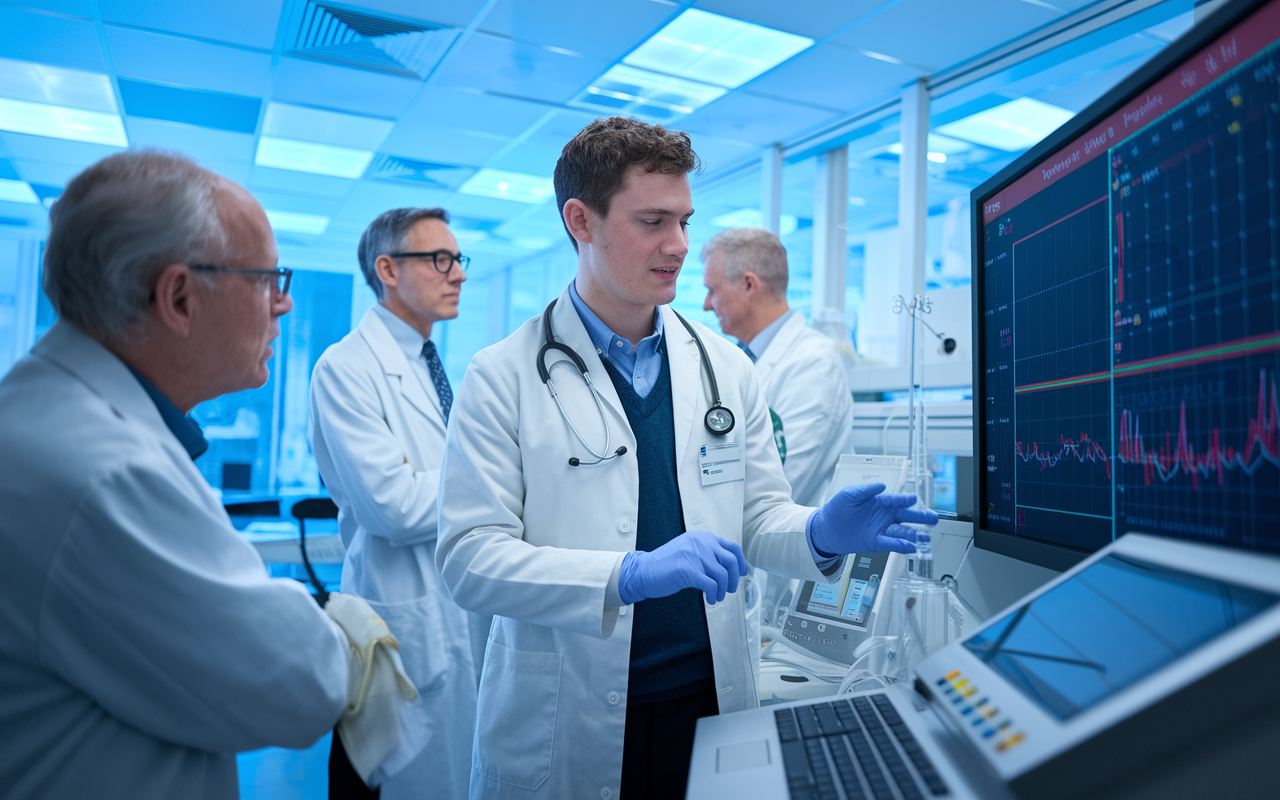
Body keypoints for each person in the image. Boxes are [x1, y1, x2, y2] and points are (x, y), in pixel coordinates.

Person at [436, 116, 936, 799]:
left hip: (707, 700)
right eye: (652, 222)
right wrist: (629, 574)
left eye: (684, 221)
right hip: (567, 710)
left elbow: (757, 516)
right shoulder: (502, 375)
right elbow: (469, 558)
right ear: (580, 221)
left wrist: (819, 532)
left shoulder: (723, 366)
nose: (677, 246)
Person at [0, 150, 359, 798]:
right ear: (179, 297)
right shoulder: (103, 473)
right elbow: (301, 684)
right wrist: (327, 622)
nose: (282, 306)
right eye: (267, 279)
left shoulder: (60, 417)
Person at [310, 208, 485, 799]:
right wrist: (489, 474)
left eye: (459, 259)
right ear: (387, 269)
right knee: (401, 780)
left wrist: (439, 478)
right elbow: (396, 508)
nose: (457, 273)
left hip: (452, 612)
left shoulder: (430, 363)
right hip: (402, 624)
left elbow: (425, 489)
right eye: (440, 259)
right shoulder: (345, 368)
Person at [701, 227, 855, 507]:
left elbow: (781, 484)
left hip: (793, 545)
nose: (706, 305)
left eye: (712, 291)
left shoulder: (813, 363)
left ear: (749, 284)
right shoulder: (737, 360)